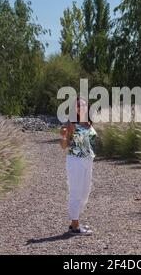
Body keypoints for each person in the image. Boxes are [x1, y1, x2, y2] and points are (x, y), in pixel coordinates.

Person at [60, 97, 97, 235]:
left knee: (85, 193)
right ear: (75, 109)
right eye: (78, 106)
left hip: (88, 161)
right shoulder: (71, 124)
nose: (81, 108)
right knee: (76, 192)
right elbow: (64, 146)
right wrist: (63, 137)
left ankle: (75, 221)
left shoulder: (89, 123)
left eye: (83, 105)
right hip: (75, 161)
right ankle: (75, 226)